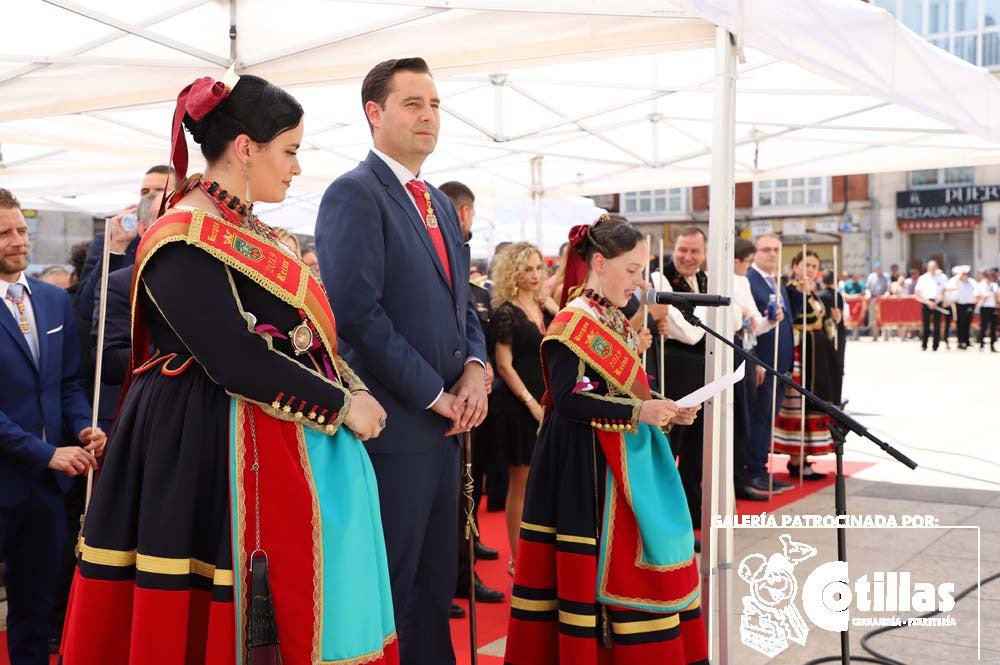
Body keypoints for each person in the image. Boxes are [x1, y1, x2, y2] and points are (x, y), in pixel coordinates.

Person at [61, 72, 398, 665]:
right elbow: (236, 357)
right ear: (245, 148)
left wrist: (353, 386)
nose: (295, 169)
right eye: (289, 151)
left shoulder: (252, 229)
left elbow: (306, 340)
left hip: (267, 436)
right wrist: (343, 406)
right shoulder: (181, 236)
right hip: (203, 446)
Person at [315, 58, 488, 665]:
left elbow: (462, 305)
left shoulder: (439, 202)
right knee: (390, 587)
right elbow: (358, 316)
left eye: (435, 104)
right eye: (413, 103)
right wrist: (435, 394)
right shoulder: (354, 194)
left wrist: (475, 369)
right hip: (394, 428)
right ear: (375, 113)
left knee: (436, 588)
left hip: (447, 429)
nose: (429, 116)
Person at [504, 216, 707, 665]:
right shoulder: (572, 321)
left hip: (615, 461)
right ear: (599, 261)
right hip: (583, 469)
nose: (640, 281)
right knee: (595, 580)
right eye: (632, 270)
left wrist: (663, 406)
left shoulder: (610, 316)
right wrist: (641, 411)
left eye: (643, 271)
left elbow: (614, 390)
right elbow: (572, 399)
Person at [1, 187, 106, 665]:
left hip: (45, 493)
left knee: (35, 612)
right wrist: (47, 453)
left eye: (21, 229)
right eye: (4, 233)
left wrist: (83, 427)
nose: (17, 241)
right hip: (14, 475)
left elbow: (66, 383)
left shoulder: (52, 300)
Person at [438, 180, 504, 617]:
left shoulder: (465, 268)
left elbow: (470, 327)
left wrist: (476, 368)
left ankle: (462, 569)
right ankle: (450, 578)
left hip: (465, 394)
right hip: (433, 398)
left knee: (464, 493)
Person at [488, 242, 558, 573]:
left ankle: (541, 551)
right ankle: (519, 557)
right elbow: (504, 365)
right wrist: (530, 403)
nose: (534, 274)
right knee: (522, 480)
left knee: (546, 480)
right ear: (513, 272)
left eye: (538, 268)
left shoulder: (545, 308)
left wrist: (553, 306)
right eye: (527, 268)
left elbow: (569, 336)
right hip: (519, 405)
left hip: (550, 401)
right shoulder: (505, 312)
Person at [650, 226, 710, 527]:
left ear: (705, 253)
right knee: (672, 444)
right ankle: (667, 517)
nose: (687, 257)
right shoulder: (660, 277)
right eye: (682, 250)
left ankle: (692, 511)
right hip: (672, 370)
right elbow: (685, 332)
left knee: (696, 449)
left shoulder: (705, 279)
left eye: (694, 251)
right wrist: (711, 321)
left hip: (703, 371)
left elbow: (735, 317)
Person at [773, 251, 842, 480]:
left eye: (814, 265)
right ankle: (795, 458)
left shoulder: (814, 293)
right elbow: (792, 319)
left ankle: (803, 457)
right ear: (795, 266)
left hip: (815, 356)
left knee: (811, 404)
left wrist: (834, 320)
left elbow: (820, 323)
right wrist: (800, 295)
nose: (810, 269)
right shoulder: (791, 290)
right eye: (806, 265)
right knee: (797, 405)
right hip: (799, 354)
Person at [746, 233, 795, 494]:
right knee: (759, 418)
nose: (773, 255)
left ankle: (761, 467)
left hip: (780, 363)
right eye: (766, 250)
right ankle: (753, 470)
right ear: (755, 252)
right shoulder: (750, 280)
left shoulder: (776, 281)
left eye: (776, 250)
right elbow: (750, 327)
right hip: (763, 362)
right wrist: (755, 361)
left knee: (768, 419)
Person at [915, 260, 944, 351]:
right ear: (927, 268)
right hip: (926, 302)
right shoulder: (923, 278)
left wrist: (936, 302)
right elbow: (918, 292)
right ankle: (924, 345)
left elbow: (943, 292)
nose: (932, 269)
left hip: (937, 303)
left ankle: (935, 346)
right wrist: (928, 302)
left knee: (937, 326)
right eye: (930, 267)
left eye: (934, 267)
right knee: (925, 325)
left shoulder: (942, 278)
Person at [952, 266, 976, 349]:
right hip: (960, 305)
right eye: (964, 274)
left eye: (966, 274)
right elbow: (952, 282)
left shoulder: (972, 282)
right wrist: (959, 274)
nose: (965, 275)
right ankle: (960, 341)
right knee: (960, 324)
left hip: (969, 304)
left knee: (967, 324)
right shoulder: (957, 281)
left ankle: (967, 341)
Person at [976, 269, 998, 352]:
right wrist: (985, 296)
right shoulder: (980, 285)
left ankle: (992, 345)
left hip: (993, 308)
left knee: (993, 327)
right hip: (984, 308)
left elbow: (997, 297)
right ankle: (981, 345)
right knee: (984, 327)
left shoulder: (994, 286)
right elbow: (977, 298)